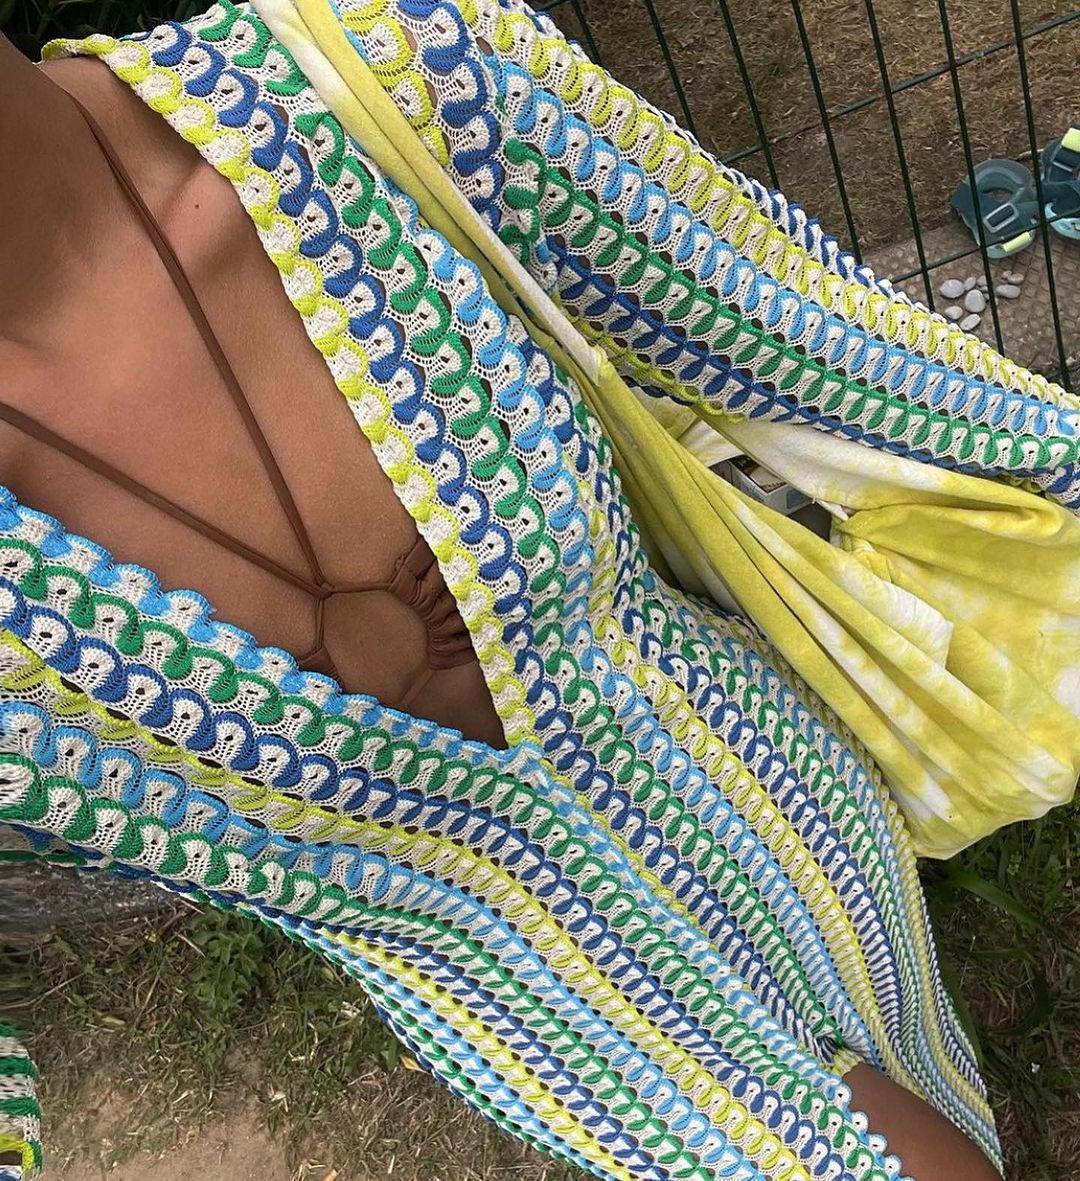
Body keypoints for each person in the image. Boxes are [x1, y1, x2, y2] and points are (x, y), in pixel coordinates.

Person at [4, 0, 1067, 1175]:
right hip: (557, 1040)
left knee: (928, 1067)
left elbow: (860, 362)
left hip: (784, 813)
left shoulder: (390, 80)